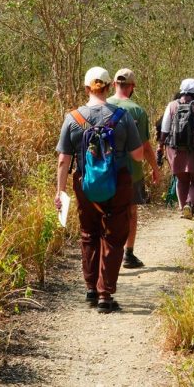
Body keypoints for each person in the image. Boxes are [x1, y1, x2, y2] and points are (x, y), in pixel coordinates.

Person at [55, 67, 144, 313]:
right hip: (118, 184)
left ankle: (91, 289)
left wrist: (59, 192)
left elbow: (64, 159)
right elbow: (137, 155)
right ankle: (106, 295)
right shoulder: (123, 116)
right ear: (107, 87)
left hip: (85, 184)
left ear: (86, 89)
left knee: (88, 233)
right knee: (114, 237)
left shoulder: (72, 118)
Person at [107, 68, 160, 269]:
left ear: (113, 85)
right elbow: (145, 147)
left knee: (107, 211)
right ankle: (128, 254)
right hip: (132, 171)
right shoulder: (138, 111)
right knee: (130, 211)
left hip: (103, 171)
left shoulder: (101, 106)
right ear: (132, 87)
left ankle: (109, 251)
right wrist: (155, 168)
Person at [157, 78, 194, 219]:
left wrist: (160, 145)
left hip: (175, 148)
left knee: (181, 179)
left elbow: (164, 129)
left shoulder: (171, 106)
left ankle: (183, 208)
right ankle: (190, 203)